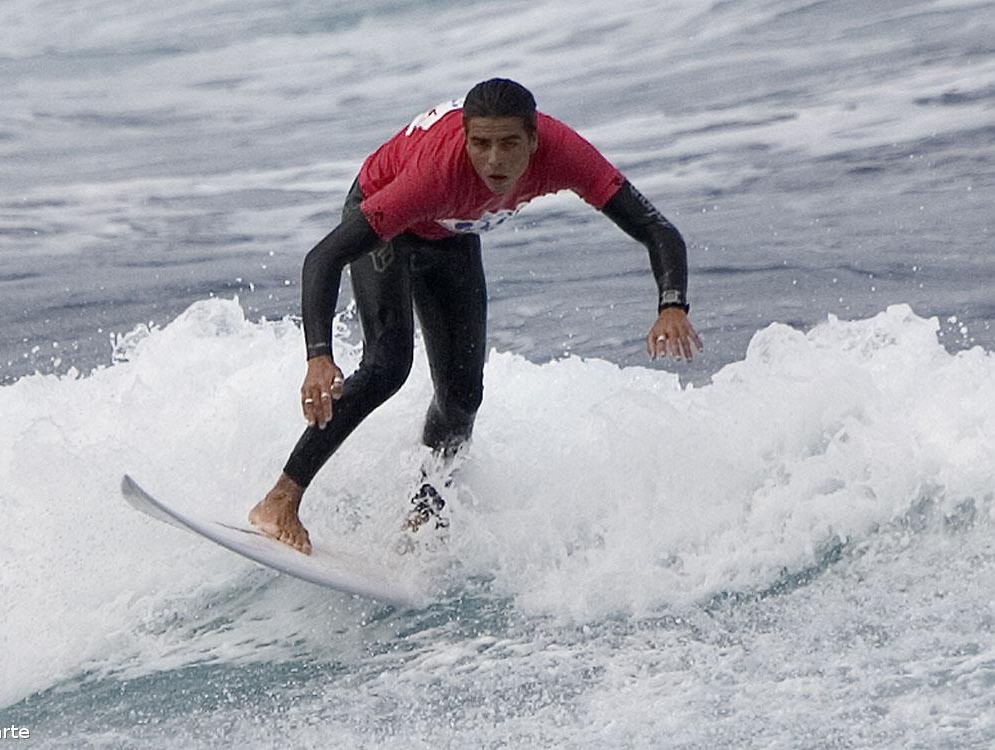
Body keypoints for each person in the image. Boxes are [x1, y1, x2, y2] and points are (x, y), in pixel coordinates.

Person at [248, 78, 701, 554]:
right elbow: (322, 259)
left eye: (509, 144)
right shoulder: (435, 176)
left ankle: (425, 514)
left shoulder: (565, 154)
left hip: (453, 233)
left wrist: (672, 303)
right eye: (480, 144)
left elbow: (655, 227)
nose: (494, 161)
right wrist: (318, 355)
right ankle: (280, 500)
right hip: (385, 215)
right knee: (387, 366)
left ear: (534, 139)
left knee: (463, 396)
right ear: (465, 138)